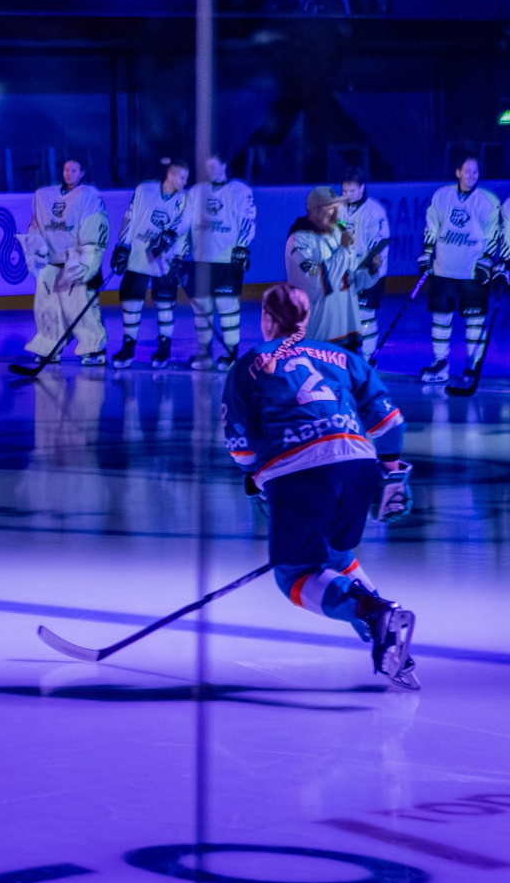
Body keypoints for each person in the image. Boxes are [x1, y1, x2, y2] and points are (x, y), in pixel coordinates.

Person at [222, 282, 416, 689]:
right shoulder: (342, 357)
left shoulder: (250, 363)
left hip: (299, 473)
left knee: (294, 574)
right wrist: (393, 472)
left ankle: (373, 612)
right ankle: (388, 638)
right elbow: (392, 424)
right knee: (335, 553)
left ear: (267, 319)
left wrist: (259, 480)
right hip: (358, 463)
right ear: (306, 319)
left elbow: (241, 450)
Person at [420, 155, 503, 385]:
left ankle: (472, 364)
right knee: (440, 318)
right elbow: (432, 224)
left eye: (475, 172)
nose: (471, 176)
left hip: (473, 273)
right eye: (467, 172)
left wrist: (488, 260)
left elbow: (492, 233)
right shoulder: (442, 196)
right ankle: (440, 363)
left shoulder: (487, 201)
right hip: (444, 270)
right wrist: (427, 253)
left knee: (475, 320)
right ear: (458, 172)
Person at [18, 158, 109, 368]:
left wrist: (87, 260)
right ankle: (49, 347)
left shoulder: (88, 196)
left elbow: (95, 229)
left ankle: (93, 347)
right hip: (53, 264)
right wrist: (36, 252)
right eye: (66, 169)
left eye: (74, 170)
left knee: (82, 308)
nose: (69, 174)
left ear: (82, 172)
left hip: (76, 263)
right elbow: (36, 228)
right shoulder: (45, 196)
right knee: (46, 309)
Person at [113, 157, 191, 367]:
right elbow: (130, 217)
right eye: (182, 177)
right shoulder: (144, 190)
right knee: (131, 299)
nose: (184, 182)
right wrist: (122, 246)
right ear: (171, 175)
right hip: (139, 254)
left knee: (165, 303)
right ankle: (128, 348)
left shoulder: (185, 200)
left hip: (165, 259)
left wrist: (180, 257)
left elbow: (183, 229)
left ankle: (164, 348)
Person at [185, 153, 256, 367]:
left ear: (225, 165)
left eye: (214, 166)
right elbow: (184, 222)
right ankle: (204, 352)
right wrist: (177, 248)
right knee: (202, 307)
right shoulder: (196, 192)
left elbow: (248, 221)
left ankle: (230, 352)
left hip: (228, 259)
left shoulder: (239, 191)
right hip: (201, 260)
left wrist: (242, 247)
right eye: (207, 167)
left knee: (227, 305)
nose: (210, 171)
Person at [285, 186, 363, 349]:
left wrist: (370, 270)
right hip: (320, 339)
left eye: (337, 208)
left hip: (347, 333)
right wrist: (342, 251)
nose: (336, 215)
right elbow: (314, 281)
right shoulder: (299, 240)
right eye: (330, 209)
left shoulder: (339, 234)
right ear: (313, 212)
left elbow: (352, 281)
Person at [337, 169, 391, 360]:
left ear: (362, 189)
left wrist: (371, 267)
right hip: (347, 272)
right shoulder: (339, 209)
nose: (347, 195)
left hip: (369, 272)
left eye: (352, 191)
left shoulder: (374, 211)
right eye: (345, 191)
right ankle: (349, 358)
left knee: (365, 315)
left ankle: (368, 359)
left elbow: (381, 241)